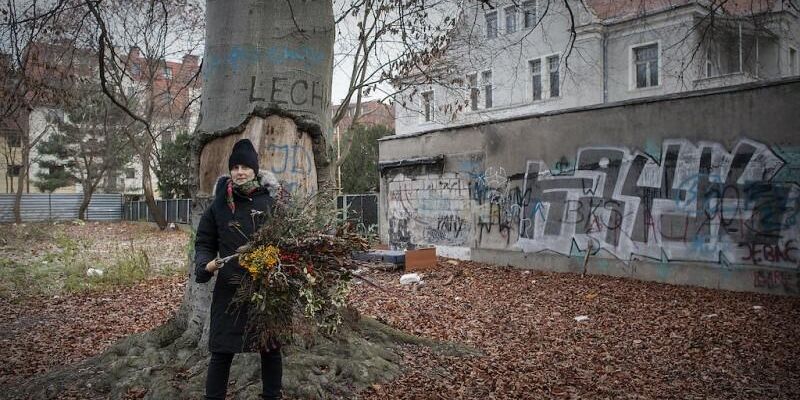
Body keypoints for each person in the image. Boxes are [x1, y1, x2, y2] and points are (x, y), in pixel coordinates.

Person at [194, 138, 282, 400]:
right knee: (221, 351)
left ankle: (272, 396)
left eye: (245, 166)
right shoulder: (219, 205)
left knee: (270, 347)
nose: (240, 171)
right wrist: (205, 265)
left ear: (255, 170)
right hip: (229, 289)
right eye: (235, 167)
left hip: (264, 289)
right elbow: (204, 242)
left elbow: (286, 243)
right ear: (230, 170)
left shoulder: (270, 203)